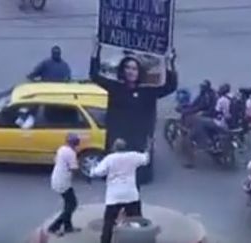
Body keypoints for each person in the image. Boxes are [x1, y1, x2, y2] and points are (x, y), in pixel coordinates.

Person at [89, 46, 177, 183]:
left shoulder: (147, 93)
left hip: (138, 141)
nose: (130, 71)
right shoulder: (115, 88)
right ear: (123, 70)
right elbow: (94, 75)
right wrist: (96, 49)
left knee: (136, 180)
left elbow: (170, 86)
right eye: (128, 68)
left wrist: (169, 62)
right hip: (118, 139)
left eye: (134, 68)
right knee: (116, 178)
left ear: (139, 72)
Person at [89, 138, 149, 243]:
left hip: (114, 196)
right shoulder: (133, 156)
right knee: (135, 219)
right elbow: (146, 159)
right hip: (131, 194)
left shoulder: (110, 159)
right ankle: (139, 239)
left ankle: (105, 241)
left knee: (109, 222)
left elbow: (99, 172)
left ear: (114, 148)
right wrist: (148, 150)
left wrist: (92, 170)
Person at [48, 133, 81, 236]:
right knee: (72, 205)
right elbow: (74, 169)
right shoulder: (71, 153)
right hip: (63, 182)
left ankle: (68, 227)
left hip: (57, 179)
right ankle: (54, 227)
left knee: (68, 204)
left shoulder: (62, 149)